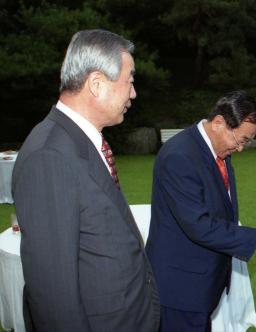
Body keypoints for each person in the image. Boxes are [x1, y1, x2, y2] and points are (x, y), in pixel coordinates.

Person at [12, 29, 160, 331]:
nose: (133, 93)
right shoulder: (49, 155)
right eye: (130, 80)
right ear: (96, 83)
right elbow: (53, 295)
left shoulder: (83, 141)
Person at [145, 90, 256, 332]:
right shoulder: (180, 156)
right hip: (180, 289)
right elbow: (199, 224)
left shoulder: (217, 150)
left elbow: (222, 211)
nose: (240, 149)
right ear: (219, 123)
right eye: (241, 140)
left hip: (201, 284)